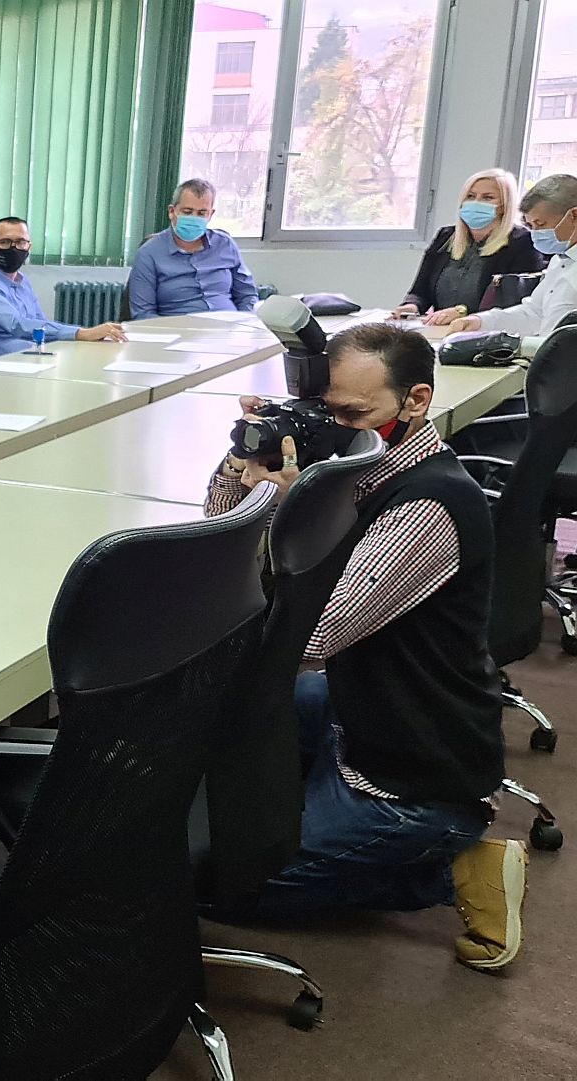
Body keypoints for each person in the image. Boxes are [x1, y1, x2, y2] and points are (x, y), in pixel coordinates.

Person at [205, 323, 524, 972]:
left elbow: (313, 635)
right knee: (229, 714)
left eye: (354, 414)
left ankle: (455, 866)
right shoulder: (359, 462)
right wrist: (244, 462)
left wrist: (296, 510)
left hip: (412, 772)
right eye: (326, 411)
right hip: (356, 707)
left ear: (416, 400)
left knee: (220, 885)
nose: (339, 427)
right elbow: (217, 527)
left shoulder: (428, 503)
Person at [395, 169, 543, 325]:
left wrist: (463, 312)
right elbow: (420, 291)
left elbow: (514, 304)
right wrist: (411, 306)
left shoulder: (523, 242)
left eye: (487, 198)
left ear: (504, 206)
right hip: (440, 329)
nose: (476, 202)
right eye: (471, 196)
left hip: (487, 330)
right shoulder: (445, 237)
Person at [0, 217, 126, 358]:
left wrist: (84, 335)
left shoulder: (22, 281)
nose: (13, 248)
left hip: (27, 353)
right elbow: (18, 326)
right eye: (5, 242)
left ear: (29, 247)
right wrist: (81, 333)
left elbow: (40, 323)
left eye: (21, 242)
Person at [447, 173, 577, 338]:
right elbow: (534, 313)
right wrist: (480, 321)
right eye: (531, 226)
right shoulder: (560, 261)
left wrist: (524, 346)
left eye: (541, 224)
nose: (535, 233)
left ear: (574, 216)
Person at [126, 178, 258, 318]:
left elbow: (247, 295)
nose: (194, 218)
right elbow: (143, 314)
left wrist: (245, 322)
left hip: (230, 326)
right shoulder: (149, 253)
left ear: (210, 214)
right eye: (187, 212)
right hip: (179, 328)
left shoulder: (225, 244)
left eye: (202, 213)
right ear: (172, 211)